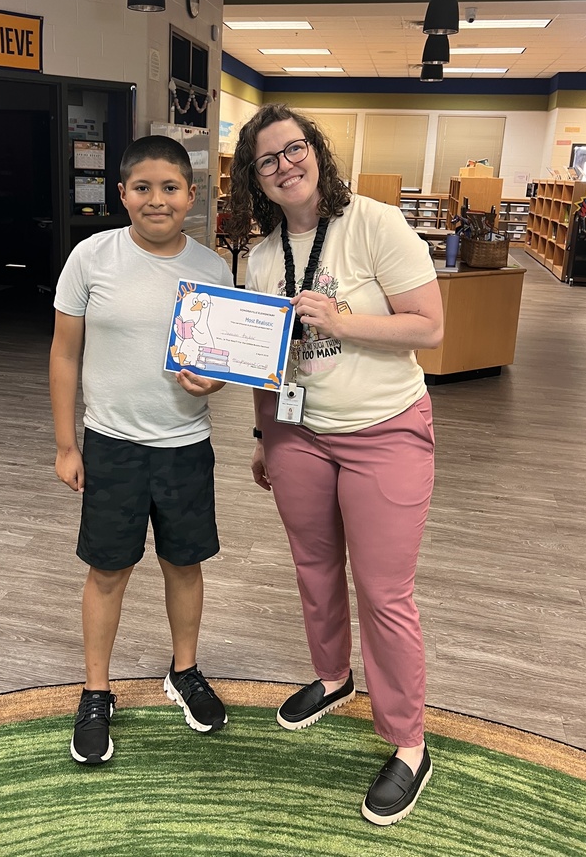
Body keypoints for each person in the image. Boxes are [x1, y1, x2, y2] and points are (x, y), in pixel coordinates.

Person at [228, 103, 444, 826]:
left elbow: (431, 328)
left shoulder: (375, 225)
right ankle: (332, 677)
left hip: (385, 429)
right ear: (254, 179)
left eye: (295, 149)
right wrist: (264, 435)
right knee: (313, 568)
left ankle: (409, 745)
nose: (286, 165)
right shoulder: (259, 258)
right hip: (297, 434)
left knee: (383, 592)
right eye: (268, 159)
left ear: (316, 152)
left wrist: (342, 320)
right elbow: (266, 361)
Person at [50, 135, 233, 765]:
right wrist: (65, 443)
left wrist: (218, 377)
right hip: (112, 445)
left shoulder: (213, 269)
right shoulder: (90, 258)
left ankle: (184, 671)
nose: (158, 200)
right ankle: (95, 690)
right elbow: (63, 353)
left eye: (171, 188)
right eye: (143, 187)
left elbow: (224, 361)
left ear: (191, 194)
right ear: (122, 193)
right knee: (108, 569)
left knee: (185, 564)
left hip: (186, 445)